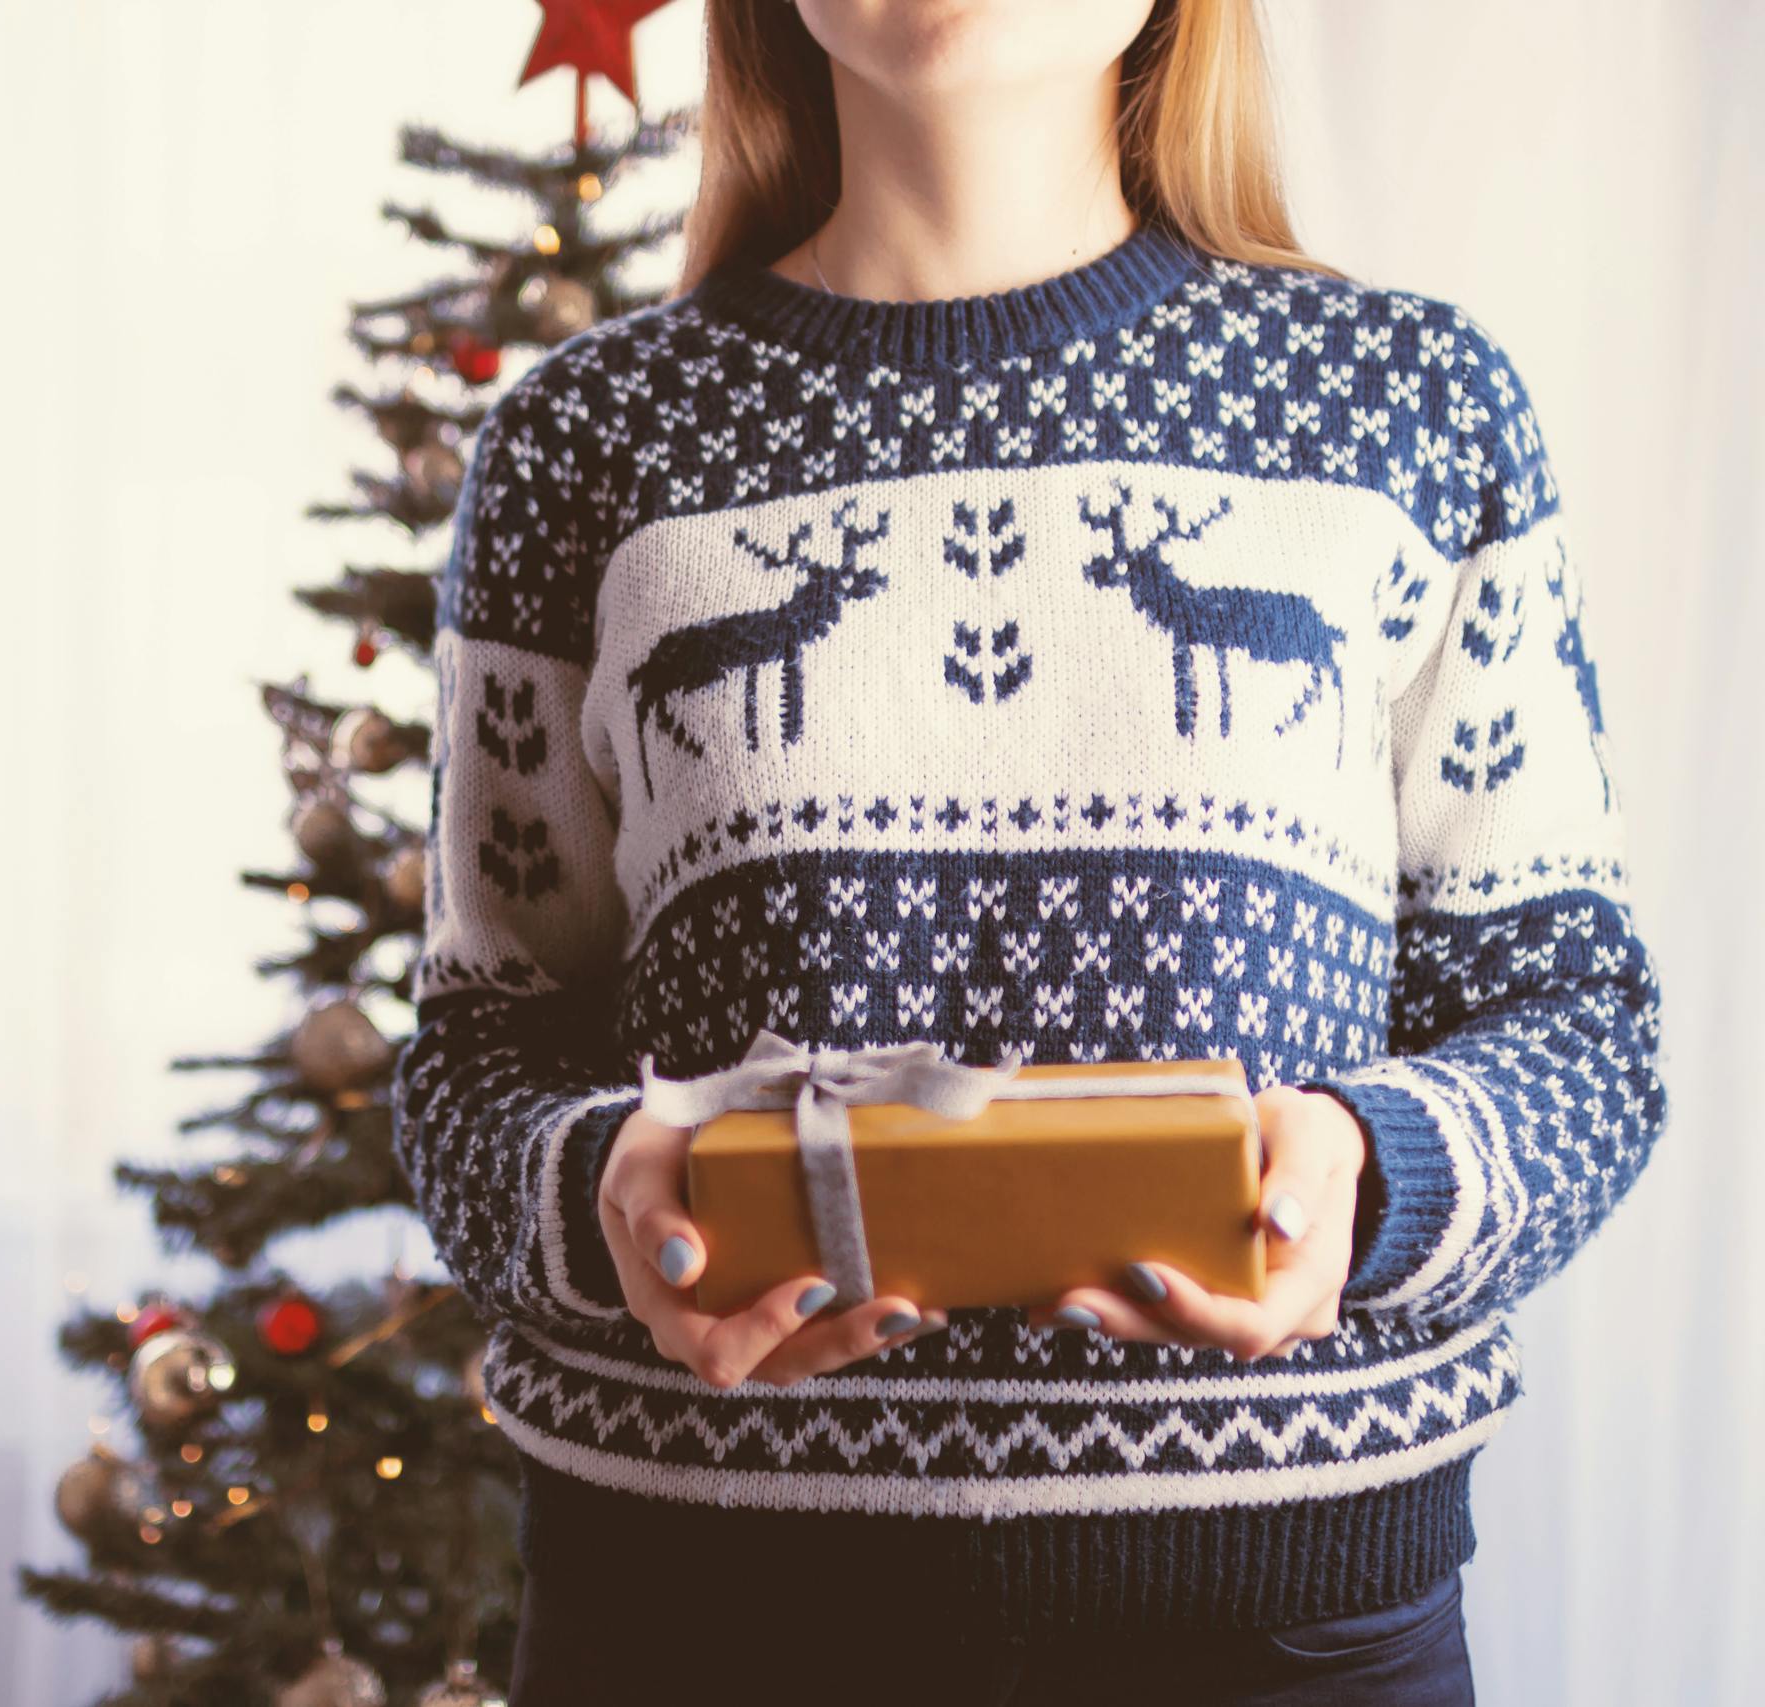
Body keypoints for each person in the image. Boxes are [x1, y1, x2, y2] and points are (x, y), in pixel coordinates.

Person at [388, 1, 1669, 1701]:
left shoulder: (1412, 409)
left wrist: (1374, 1173)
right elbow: (479, 1047)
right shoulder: (587, 442)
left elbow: (1581, 1014)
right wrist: (592, 1192)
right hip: (693, 1616)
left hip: (1277, 1627)